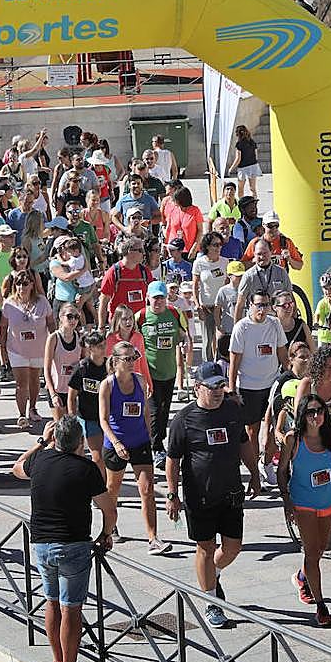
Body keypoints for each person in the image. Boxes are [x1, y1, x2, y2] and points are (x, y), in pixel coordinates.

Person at [13, 416, 115, 662]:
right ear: (80, 442)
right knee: (71, 607)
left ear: (55, 440)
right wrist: (106, 534)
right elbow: (109, 509)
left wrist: (41, 442)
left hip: (42, 545)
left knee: (52, 602)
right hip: (73, 545)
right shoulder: (87, 469)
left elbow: (16, 468)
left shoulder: (41, 461)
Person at [166, 361, 259, 628]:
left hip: (230, 492)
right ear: (197, 388)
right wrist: (172, 495)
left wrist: (254, 473)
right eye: (213, 386)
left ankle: (212, 575)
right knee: (205, 548)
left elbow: (243, 443)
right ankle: (211, 601)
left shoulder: (231, 410)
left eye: (221, 385)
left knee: (233, 547)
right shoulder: (184, 419)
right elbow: (172, 459)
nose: (219, 391)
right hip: (199, 495)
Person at [277, 392, 331, 627]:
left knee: (321, 548)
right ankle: (321, 605)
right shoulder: (294, 439)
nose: (316, 416)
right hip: (303, 503)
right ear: (302, 415)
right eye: (310, 412)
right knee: (311, 552)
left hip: (327, 502)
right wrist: (287, 500)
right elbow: (281, 471)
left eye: (320, 411)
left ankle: (302, 577)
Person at [99, 339, 167, 554]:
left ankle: (153, 538)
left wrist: (149, 436)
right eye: (127, 359)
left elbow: (145, 411)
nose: (132, 363)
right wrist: (117, 443)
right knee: (113, 489)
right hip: (116, 443)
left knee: (147, 489)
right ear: (116, 361)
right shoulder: (107, 385)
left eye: (134, 358)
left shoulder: (140, 380)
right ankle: (109, 529)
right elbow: (103, 419)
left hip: (140, 442)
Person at [228, 288, 288, 486]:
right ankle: (255, 472)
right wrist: (232, 389)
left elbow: (282, 354)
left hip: (272, 384)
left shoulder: (275, 324)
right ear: (250, 306)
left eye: (266, 305)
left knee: (274, 428)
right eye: (259, 305)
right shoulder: (241, 328)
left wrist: (290, 379)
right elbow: (234, 361)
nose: (263, 309)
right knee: (252, 430)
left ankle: (267, 462)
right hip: (248, 386)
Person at [137, 281, 187, 469]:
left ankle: (158, 442)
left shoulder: (174, 313)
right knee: (155, 410)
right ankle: (155, 447)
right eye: (155, 298)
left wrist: (184, 343)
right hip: (149, 372)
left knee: (165, 409)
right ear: (147, 298)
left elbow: (183, 334)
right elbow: (131, 339)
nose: (158, 301)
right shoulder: (141, 316)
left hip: (170, 370)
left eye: (161, 298)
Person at [0, 267, 54, 430]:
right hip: (17, 349)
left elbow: (51, 323)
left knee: (34, 379)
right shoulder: (9, 303)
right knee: (21, 383)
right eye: (18, 284)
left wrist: (55, 342)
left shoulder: (42, 302)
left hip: (39, 348)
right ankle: (22, 415)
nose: (21, 287)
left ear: (32, 284)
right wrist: (2, 348)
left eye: (25, 283)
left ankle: (33, 408)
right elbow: (3, 327)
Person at [68, 330, 109, 475]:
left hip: (108, 417)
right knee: (97, 456)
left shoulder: (109, 366)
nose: (103, 349)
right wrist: (72, 419)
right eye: (99, 346)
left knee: (108, 455)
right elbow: (71, 396)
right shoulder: (82, 368)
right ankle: (99, 487)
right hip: (88, 417)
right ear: (90, 348)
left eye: (104, 345)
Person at [44, 302, 84, 431]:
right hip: (57, 389)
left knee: (72, 429)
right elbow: (47, 368)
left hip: (73, 390)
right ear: (61, 317)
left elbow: (84, 363)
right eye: (69, 316)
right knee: (60, 428)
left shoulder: (79, 338)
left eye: (76, 317)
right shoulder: (53, 338)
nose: (73, 320)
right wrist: (52, 394)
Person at [97, 237, 155, 324]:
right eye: (140, 250)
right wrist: (101, 326)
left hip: (140, 323)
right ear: (129, 251)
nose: (143, 253)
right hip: (119, 324)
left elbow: (152, 297)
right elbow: (103, 301)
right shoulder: (114, 272)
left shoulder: (145, 272)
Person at [192, 232, 229, 363]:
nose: (219, 247)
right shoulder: (199, 263)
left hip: (222, 307)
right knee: (207, 341)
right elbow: (195, 286)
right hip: (206, 306)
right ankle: (207, 368)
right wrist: (197, 305)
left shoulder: (225, 262)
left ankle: (220, 366)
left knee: (221, 340)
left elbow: (228, 284)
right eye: (215, 244)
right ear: (207, 246)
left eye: (220, 244)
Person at [234, 238, 292, 321]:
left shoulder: (281, 272)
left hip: (277, 320)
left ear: (271, 252)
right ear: (254, 254)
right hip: (255, 321)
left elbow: (290, 296)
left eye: (265, 253)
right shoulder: (248, 275)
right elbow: (240, 304)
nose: (262, 257)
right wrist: (237, 327)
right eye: (259, 254)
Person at [213, 260, 245, 359]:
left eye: (242, 276)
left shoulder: (246, 289)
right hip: (228, 329)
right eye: (237, 276)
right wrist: (218, 326)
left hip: (243, 329)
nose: (240, 278)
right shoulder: (223, 291)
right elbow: (217, 309)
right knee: (225, 356)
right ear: (229, 275)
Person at [228, 125, 260, 198]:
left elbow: (238, 159)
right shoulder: (252, 142)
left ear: (238, 134)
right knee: (253, 188)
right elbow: (256, 155)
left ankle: (241, 205)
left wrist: (231, 168)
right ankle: (254, 205)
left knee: (240, 188)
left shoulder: (239, 144)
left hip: (243, 168)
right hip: (253, 166)